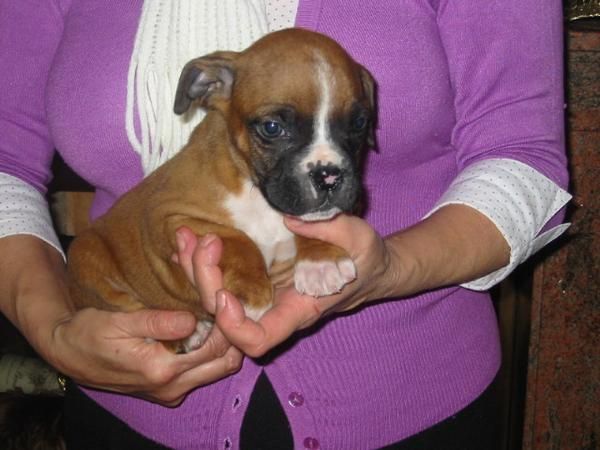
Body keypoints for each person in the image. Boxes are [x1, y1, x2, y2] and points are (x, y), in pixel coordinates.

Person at [0, 0, 571, 449]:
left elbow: (523, 155)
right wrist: (52, 331)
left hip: (409, 395)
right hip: (125, 408)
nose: (328, 165)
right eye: (275, 128)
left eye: (354, 127)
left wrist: (392, 267)